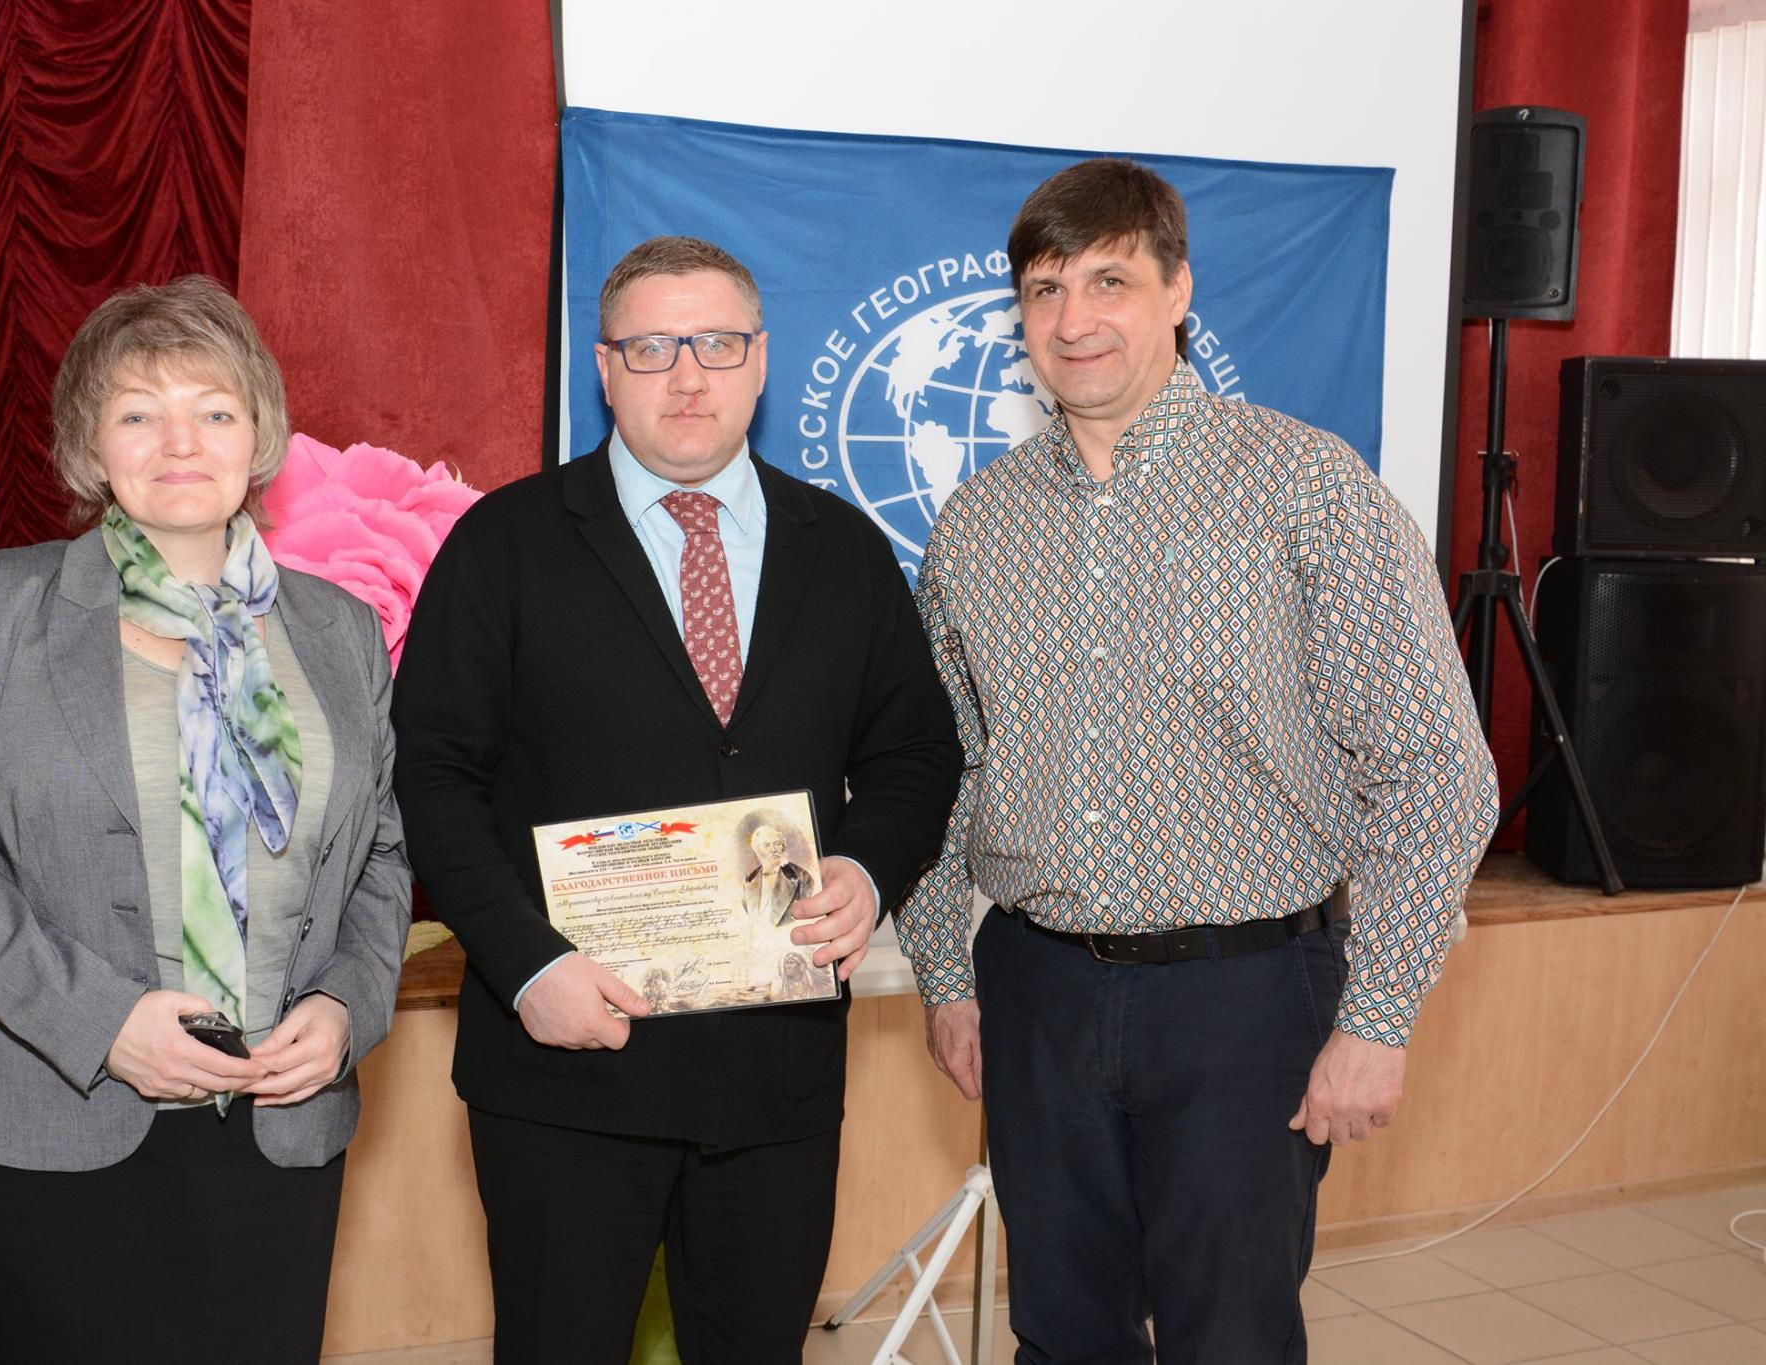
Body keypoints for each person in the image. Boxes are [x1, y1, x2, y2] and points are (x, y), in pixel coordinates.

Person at [898, 160, 1497, 1363]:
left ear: (1177, 291)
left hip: (1246, 1000)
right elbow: (940, 772)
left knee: (1230, 1337)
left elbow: (1436, 768)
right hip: (1035, 993)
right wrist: (945, 978)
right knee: (1060, 1332)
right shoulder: (974, 525)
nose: (1073, 318)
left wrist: (1376, 1019)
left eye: (1109, 281)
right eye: (1045, 288)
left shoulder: (1303, 485)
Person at [392, 235, 961, 1364]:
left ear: (761, 360)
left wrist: (864, 868)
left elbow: (914, 750)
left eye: (717, 344)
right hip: (565, 1060)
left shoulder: (842, 550)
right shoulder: (504, 544)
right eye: (652, 348)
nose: (688, 376)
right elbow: (430, 776)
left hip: (775, 1073)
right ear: (605, 369)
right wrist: (528, 966)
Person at [0, 276, 411, 1364]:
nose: (180, 442)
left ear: (257, 435)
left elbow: (380, 858)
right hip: (48, 1118)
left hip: (275, 1132)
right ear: (89, 444)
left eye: (213, 409)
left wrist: (348, 1005)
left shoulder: (340, 631)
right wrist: (102, 1022)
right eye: (137, 413)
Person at [740, 820, 815, 925]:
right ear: (756, 850)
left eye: (777, 844)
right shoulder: (749, 880)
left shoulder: (802, 876)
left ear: (783, 847)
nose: (773, 849)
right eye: (766, 845)